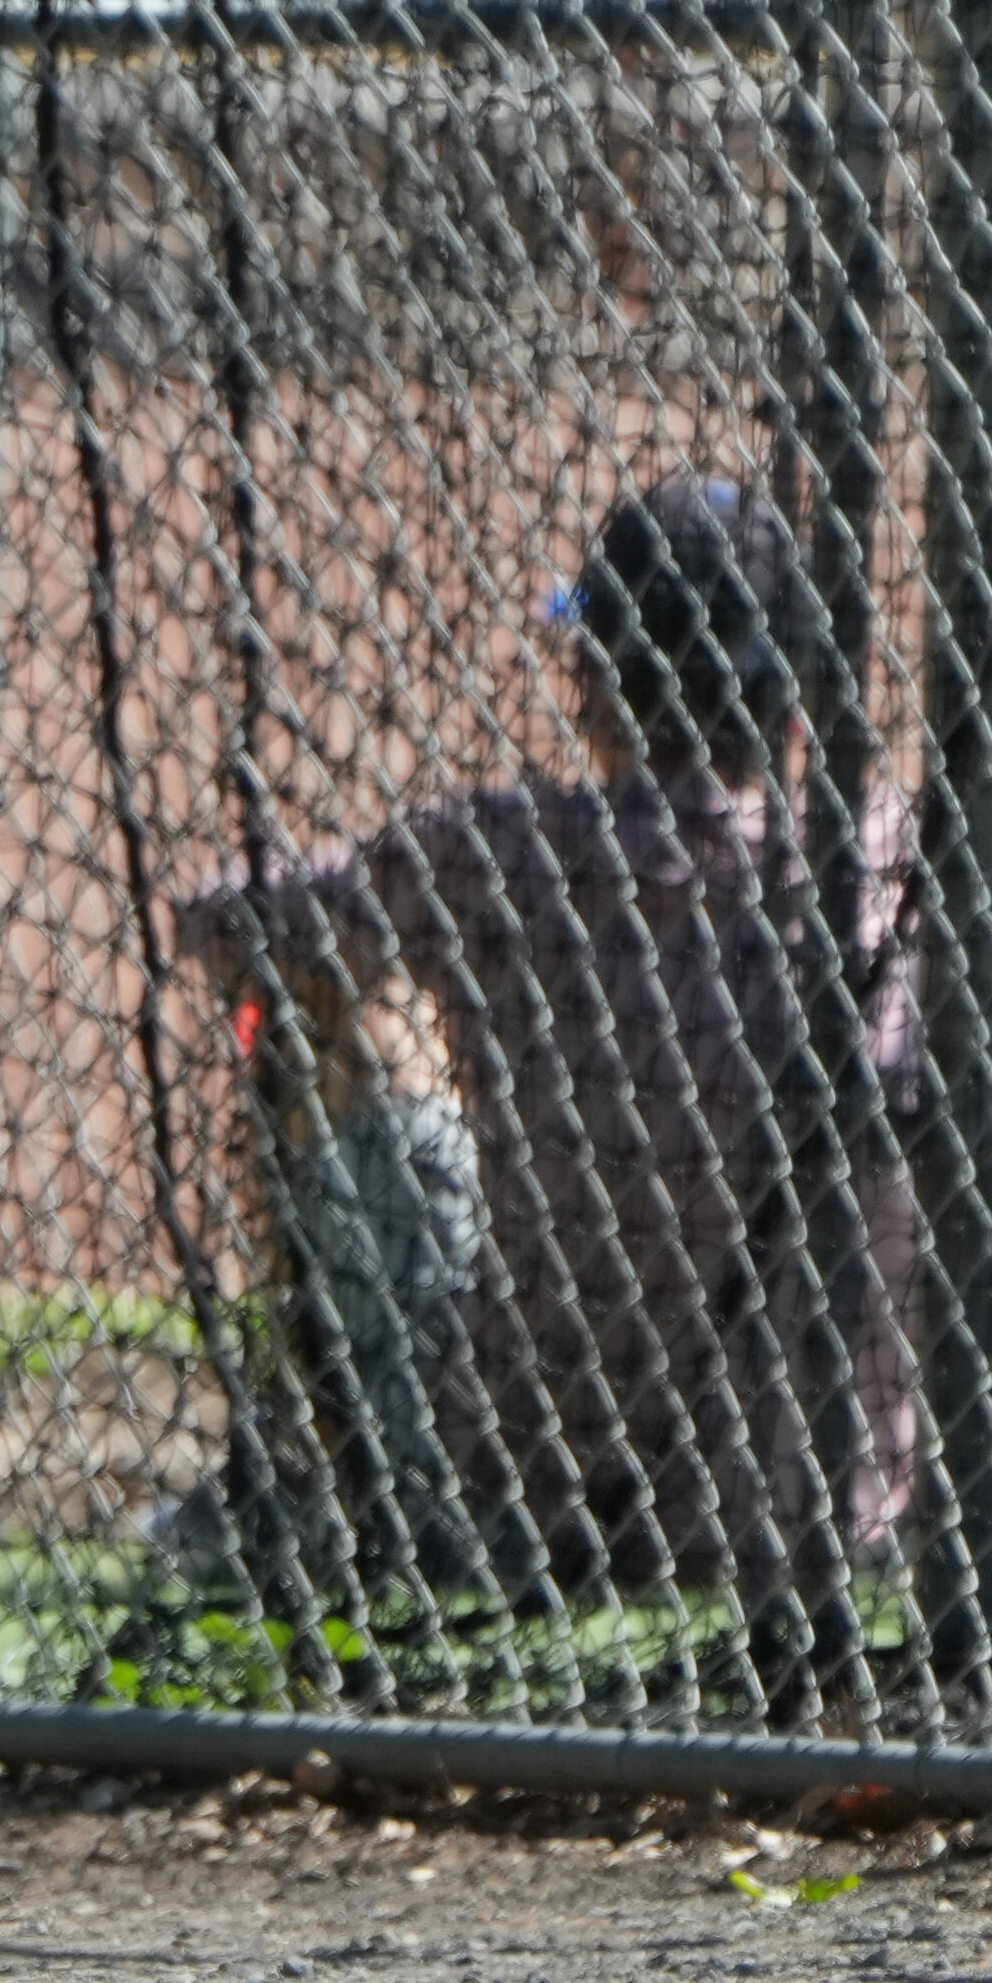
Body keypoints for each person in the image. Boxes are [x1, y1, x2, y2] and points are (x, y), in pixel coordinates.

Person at [186, 476, 925, 1669]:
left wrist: (403, 967)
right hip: (820, 1499)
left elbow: (225, 923)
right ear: (793, 699)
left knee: (336, 1023)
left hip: (524, 1484)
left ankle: (293, 1472)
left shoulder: (505, 854)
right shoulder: (879, 863)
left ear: (600, 680)